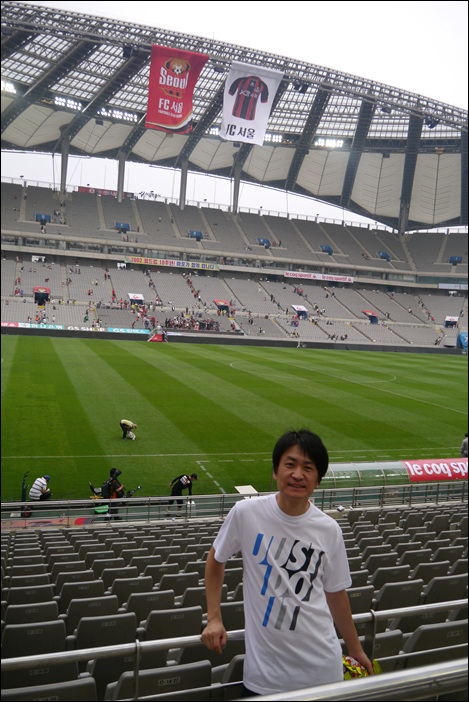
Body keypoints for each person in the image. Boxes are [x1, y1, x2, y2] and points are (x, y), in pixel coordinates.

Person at [201, 429, 373, 697]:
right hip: (263, 679)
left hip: (323, 673)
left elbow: (336, 594)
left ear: (318, 480)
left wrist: (355, 649)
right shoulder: (246, 513)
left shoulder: (329, 529)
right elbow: (216, 558)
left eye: (308, 468)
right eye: (290, 464)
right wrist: (213, 617)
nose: (297, 474)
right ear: (275, 471)